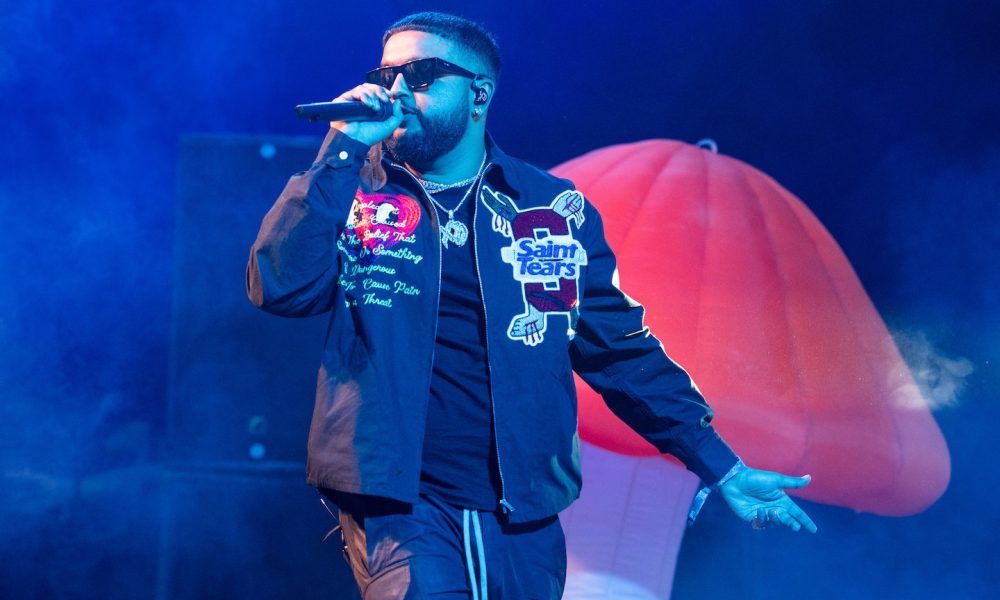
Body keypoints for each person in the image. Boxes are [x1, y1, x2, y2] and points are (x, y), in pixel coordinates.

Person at [247, 11, 817, 600]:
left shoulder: (545, 210)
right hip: (397, 502)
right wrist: (340, 151)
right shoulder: (357, 191)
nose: (395, 91)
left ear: (479, 94)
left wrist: (720, 466)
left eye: (419, 75)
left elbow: (620, 351)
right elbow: (280, 286)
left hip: (522, 512)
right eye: (385, 73)